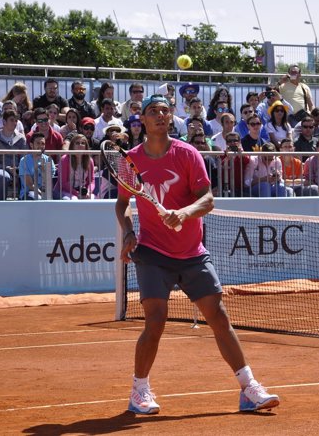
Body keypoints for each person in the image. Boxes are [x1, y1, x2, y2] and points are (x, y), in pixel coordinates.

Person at [115, 94, 279, 413]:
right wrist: (129, 233)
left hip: (192, 252)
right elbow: (122, 204)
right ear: (143, 120)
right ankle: (140, 391)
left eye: (165, 110)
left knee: (218, 316)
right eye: (153, 111)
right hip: (151, 252)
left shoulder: (188, 153)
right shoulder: (130, 159)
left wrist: (184, 213)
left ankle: (249, 389)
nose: (160, 115)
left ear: (171, 116)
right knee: (156, 320)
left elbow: (207, 200)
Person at [0, 109, 27, 200]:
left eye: (16, 120)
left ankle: (23, 203)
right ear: (4, 121)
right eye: (12, 120)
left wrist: (18, 169)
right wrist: (7, 168)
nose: (14, 123)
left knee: (25, 174)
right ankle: (2, 203)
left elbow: (25, 157)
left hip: (16, 169)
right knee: (3, 176)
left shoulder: (21, 138)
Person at [55, 133, 95, 199]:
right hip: (64, 191)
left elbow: (91, 181)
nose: (80, 145)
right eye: (77, 143)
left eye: (83, 143)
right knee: (74, 199)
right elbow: (63, 183)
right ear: (72, 146)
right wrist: (76, 193)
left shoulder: (89, 160)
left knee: (92, 198)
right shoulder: (65, 159)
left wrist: (88, 191)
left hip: (82, 191)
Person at [18, 133, 55, 200]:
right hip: (29, 192)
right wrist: (42, 194)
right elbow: (30, 185)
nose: (41, 146)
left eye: (43, 144)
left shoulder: (49, 160)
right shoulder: (24, 160)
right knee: (37, 198)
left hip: (46, 191)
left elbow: (50, 181)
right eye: (38, 143)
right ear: (31, 145)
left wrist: (44, 171)